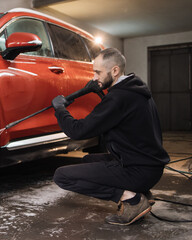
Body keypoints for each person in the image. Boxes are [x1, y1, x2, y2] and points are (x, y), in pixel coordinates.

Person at [51, 47, 170, 226]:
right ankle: (143, 192)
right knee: (88, 160)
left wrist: (60, 109)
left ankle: (132, 199)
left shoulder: (118, 98)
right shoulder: (135, 90)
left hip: (138, 170)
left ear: (114, 70)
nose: (94, 78)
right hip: (148, 166)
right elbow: (115, 115)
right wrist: (100, 92)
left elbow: (77, 131)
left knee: (62, 176)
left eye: (98, 72)